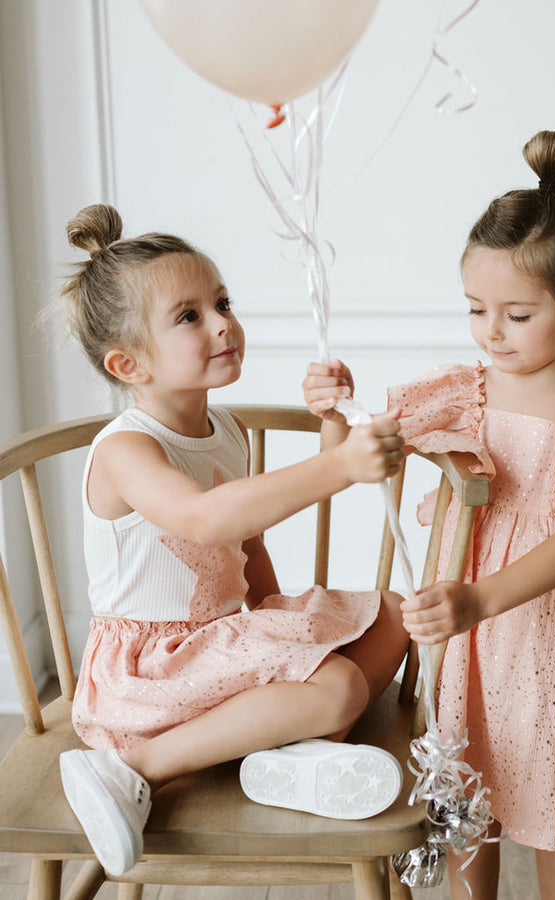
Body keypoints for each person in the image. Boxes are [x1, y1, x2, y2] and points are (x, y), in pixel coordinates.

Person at [303, 130, 555, 899]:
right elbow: (356, 462)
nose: (491, 331)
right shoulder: (463, 392)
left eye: (517, 314)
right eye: (477, 308)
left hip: (549, 624)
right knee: (466, 785)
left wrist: (478, 599)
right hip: (466, 628)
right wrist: (329, 412)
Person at [56, 204, 411, 877]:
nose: (222, 323)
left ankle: (280, 752)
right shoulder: (126, 450)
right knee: (336, 688)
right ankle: (133, 768)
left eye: (221, 302)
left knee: (392, 617)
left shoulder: (226, 429)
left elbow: (246, 539)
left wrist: (330, 420)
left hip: (218, 646)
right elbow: (206, 520)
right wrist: (337, 462)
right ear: (128, 364)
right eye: (189, 316)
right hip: (151, 676)